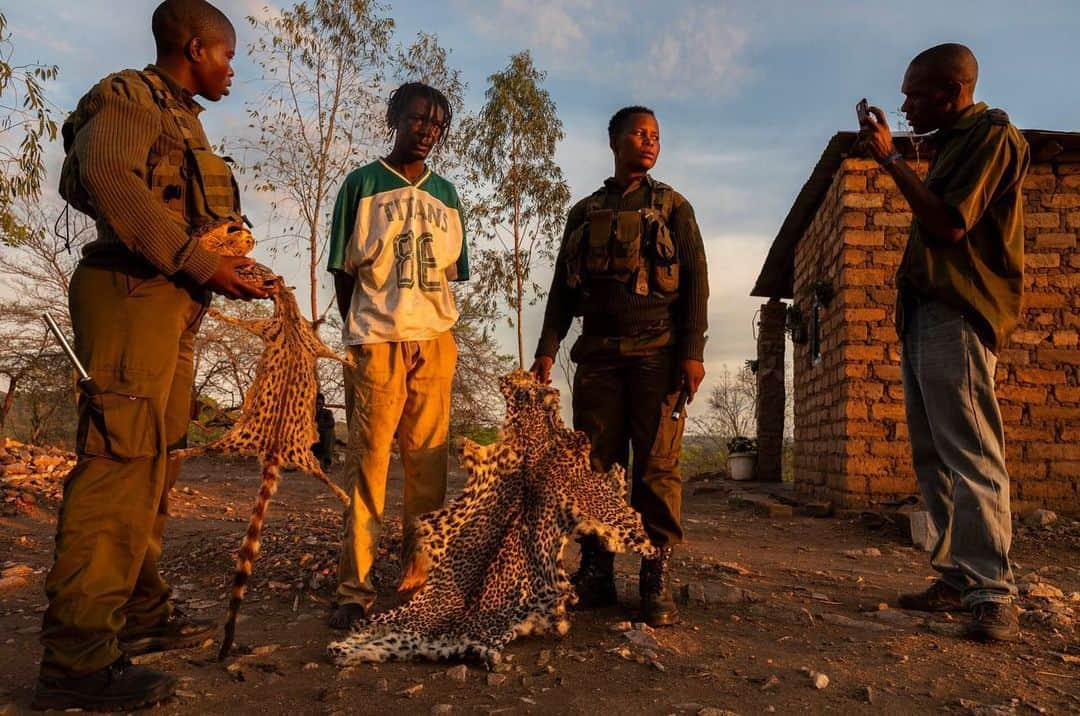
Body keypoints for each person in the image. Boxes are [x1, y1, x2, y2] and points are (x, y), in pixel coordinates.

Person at [34, 0, 272, 711]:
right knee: (118, 467)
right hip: (132, 295)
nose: (233, 70)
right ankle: (77, 661)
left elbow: (177, 212)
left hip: (168, 305)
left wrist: (227, 258)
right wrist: (197, 261)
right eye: (228, 57)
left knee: (153, 467)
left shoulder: (182, 119)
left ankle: (138, 615)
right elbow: (109, 179)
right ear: (196, 48)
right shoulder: (127, 96)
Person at [858, 43, 1030, 642]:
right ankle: (957, 578)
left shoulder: (992, 134)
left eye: (915, 94)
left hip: (958, 314)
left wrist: (890, 163)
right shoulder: (955, 142)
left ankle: (992, 588)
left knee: (971, 451)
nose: (904, 105)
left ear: (952, 92)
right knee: (934, 456)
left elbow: (950, 223)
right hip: (926, 316)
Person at [530, 106, 709, 627]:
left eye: (656, 135)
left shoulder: (675, 207)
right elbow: (563, 289)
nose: (649, 141)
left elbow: (696, 282)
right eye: (638, 133)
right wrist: (547, 347)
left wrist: (692, 351)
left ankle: (655, 572)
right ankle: (598, 568)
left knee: (656, 466)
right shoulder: (584, 212)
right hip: (600, 356)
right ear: (614, 140)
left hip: (658, 353)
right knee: (596, 469)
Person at [326, 82, 469, 630]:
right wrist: (361, 331)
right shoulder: (361, 185)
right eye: (417, 119)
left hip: (434, 341)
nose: (426, 130)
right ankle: (354, 588)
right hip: (376, 341)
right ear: (394, 117)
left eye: (436, 124)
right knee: (369, 464)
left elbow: (451, 276)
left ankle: (418, 581)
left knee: (428, 466)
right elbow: (343, 271)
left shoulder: (448, 196)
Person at [312, 392, 337, 472]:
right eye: (316, 404)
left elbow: (331, 424)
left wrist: (317, 426)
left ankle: (327, 464)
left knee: (329, 432)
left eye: (319, 404)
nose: (317, 406)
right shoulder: (309, 413)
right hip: (311, 443)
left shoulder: (327, 413)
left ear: (323, 404)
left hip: (323, 442)